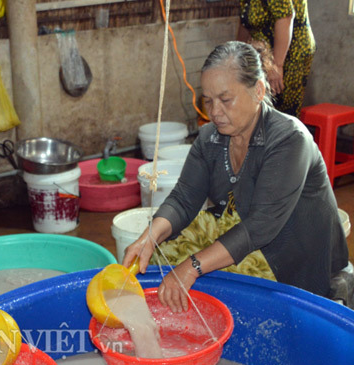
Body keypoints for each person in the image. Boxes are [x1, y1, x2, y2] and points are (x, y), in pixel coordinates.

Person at [124, 41, 349, 313]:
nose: (215, 111)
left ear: (258, 91)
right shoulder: (210, 139)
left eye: (225, 99)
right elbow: (183, 199)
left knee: (225, 295)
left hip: (295, 256)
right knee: (160, 265)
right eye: (207, 100)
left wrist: (193, 266)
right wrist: (150, 235)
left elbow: (260, 227)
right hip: (249, 233)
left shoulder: (289, 140)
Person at [237, 0, 315, 117]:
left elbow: (285, 17)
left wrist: (276, 66)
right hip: (263, 53)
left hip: (288, 54)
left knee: (280, 111)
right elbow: (245, 22)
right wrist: (236, 54)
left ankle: (281, 134)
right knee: (258, 107)